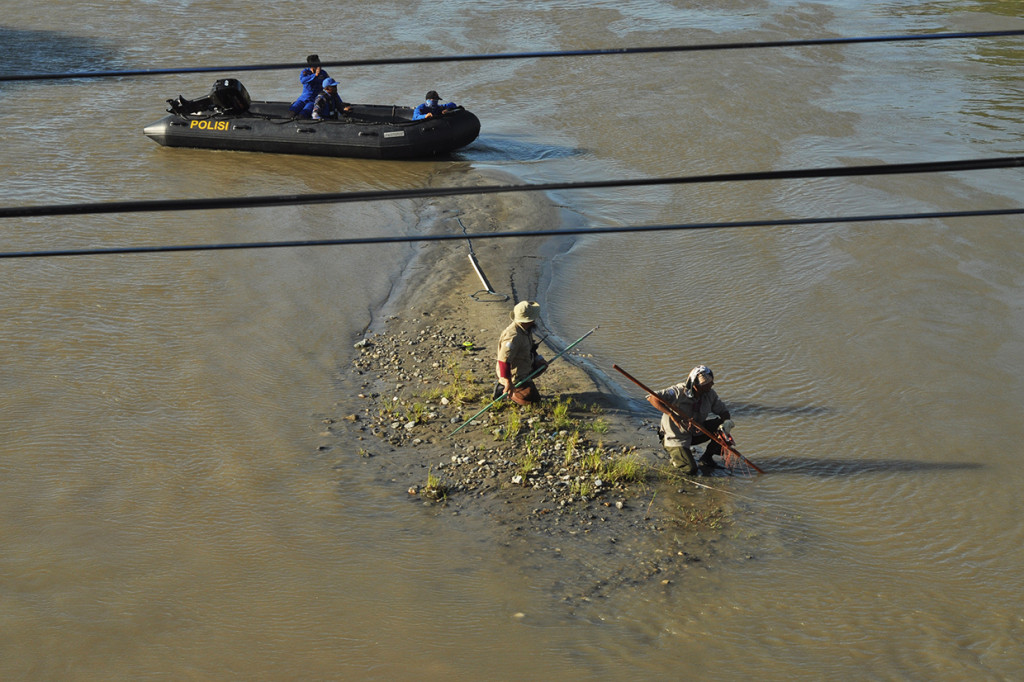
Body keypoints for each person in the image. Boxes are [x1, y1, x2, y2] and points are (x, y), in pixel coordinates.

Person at [646, 365, 735, 475]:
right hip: (676, 437)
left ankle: (707, 458)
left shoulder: (709, 394)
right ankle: (675, 458)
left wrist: (726, 423)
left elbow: (724, 412)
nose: (712, 385)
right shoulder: (678, 391)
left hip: (695, 432)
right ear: (697, 386)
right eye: (708, 384)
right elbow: (652, 398)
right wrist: (672, 414)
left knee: (721, 426)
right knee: (690, 469)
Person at [495, 301, 548, 406]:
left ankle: (524, 383)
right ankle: (506, 390)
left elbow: (531, 348)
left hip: (524, 366)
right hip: (513, 376)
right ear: (528, 320)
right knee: (533, 402)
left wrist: (539, 359)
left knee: (542, 366)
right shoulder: (513, 336)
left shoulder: (525, 330)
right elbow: (503, 360)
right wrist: (508, 382)